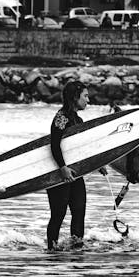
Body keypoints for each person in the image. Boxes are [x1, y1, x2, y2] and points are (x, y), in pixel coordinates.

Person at [47, 81, 89, 250]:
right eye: (85, 96)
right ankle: (51, 249)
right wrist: (62, 168)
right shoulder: (61, 117)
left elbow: (78, 149)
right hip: (59, 174)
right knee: (59, 214)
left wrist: (97, 164)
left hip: (75, 173)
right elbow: (54, 145)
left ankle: (76, 249)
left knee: (79, 211)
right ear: (75, 97)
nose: (88, 100)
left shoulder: (77, 119)